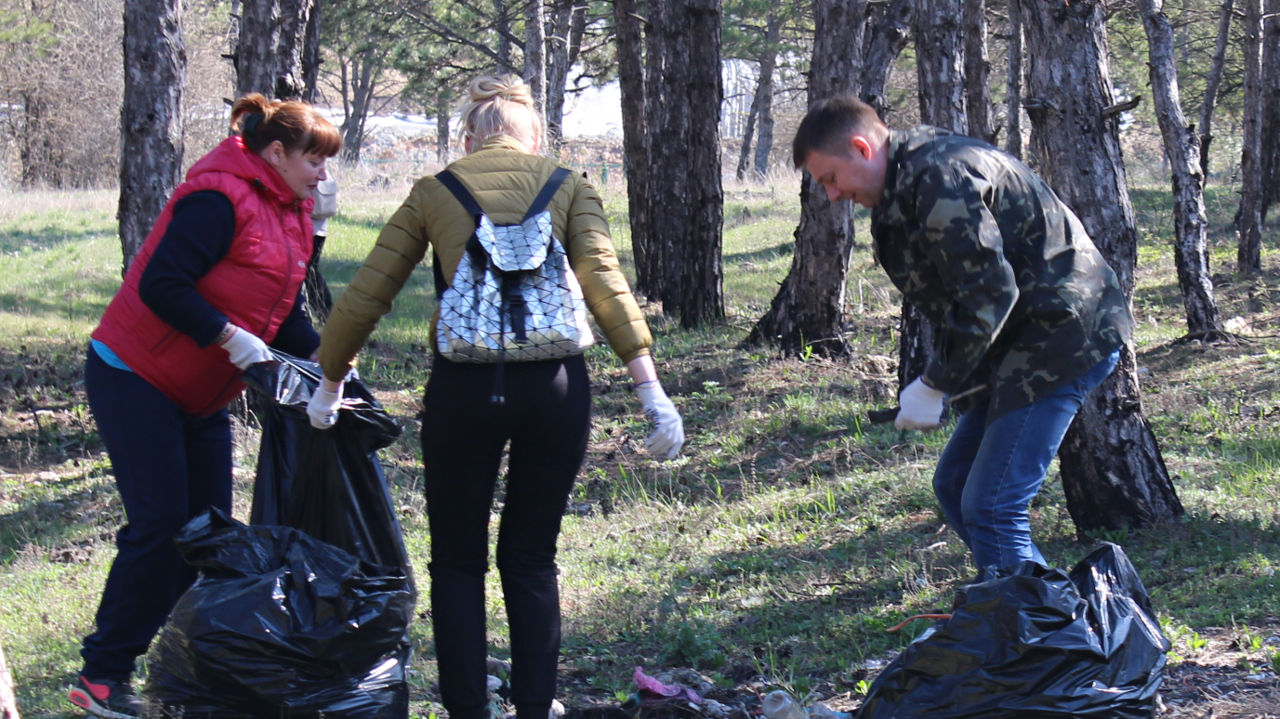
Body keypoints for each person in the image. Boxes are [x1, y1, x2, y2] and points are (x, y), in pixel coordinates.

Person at [306, 74, 684, 719]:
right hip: (556, 387)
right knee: (531, 557)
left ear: (469, 137)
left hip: (463, 389)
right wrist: (650, 389)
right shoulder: (568, 185)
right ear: (532, 134)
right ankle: (535, 708)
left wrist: (332, 379)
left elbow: (368, 291)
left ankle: (467, 711)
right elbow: (604, 282)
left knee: (456, 562)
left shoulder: (434, 190)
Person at [69, 94, 340, 718]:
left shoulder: (290, 211)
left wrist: (334, 363)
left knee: (210, 534)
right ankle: (103, 676)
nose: (322, 175)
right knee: (161, 527)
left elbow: (284, 314)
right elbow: (163, 285)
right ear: (276, 153)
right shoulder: (217, 198)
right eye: (314, 161)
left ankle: (184, 668)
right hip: (134, 373)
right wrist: (232, 339)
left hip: (201, 392)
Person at [792, 96, 1132, 570]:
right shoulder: (902, 189)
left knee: (992, 506)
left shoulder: (939, 176)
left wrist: (936, 384)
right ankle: (1031, 609)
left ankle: (1040, 633)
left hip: (1063, 337)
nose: (831, 195)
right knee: (955, 485)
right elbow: (957, 296)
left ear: (861, 148)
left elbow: (988, 295)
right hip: (1022, 343)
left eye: (830, 178)